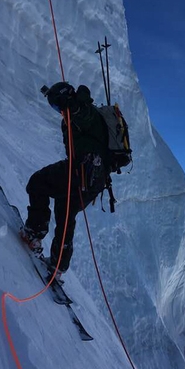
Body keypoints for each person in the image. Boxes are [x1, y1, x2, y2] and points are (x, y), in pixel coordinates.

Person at [21, 81, 109, 278]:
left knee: (37, 183)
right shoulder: (71, 116)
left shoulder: (82, 110)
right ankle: (58, 267)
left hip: (83, 171)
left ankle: (34, 233)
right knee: (65, 213)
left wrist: (73, 106)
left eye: (56, 105)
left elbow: (85, 115)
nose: (57, 110)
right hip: (94, 180)